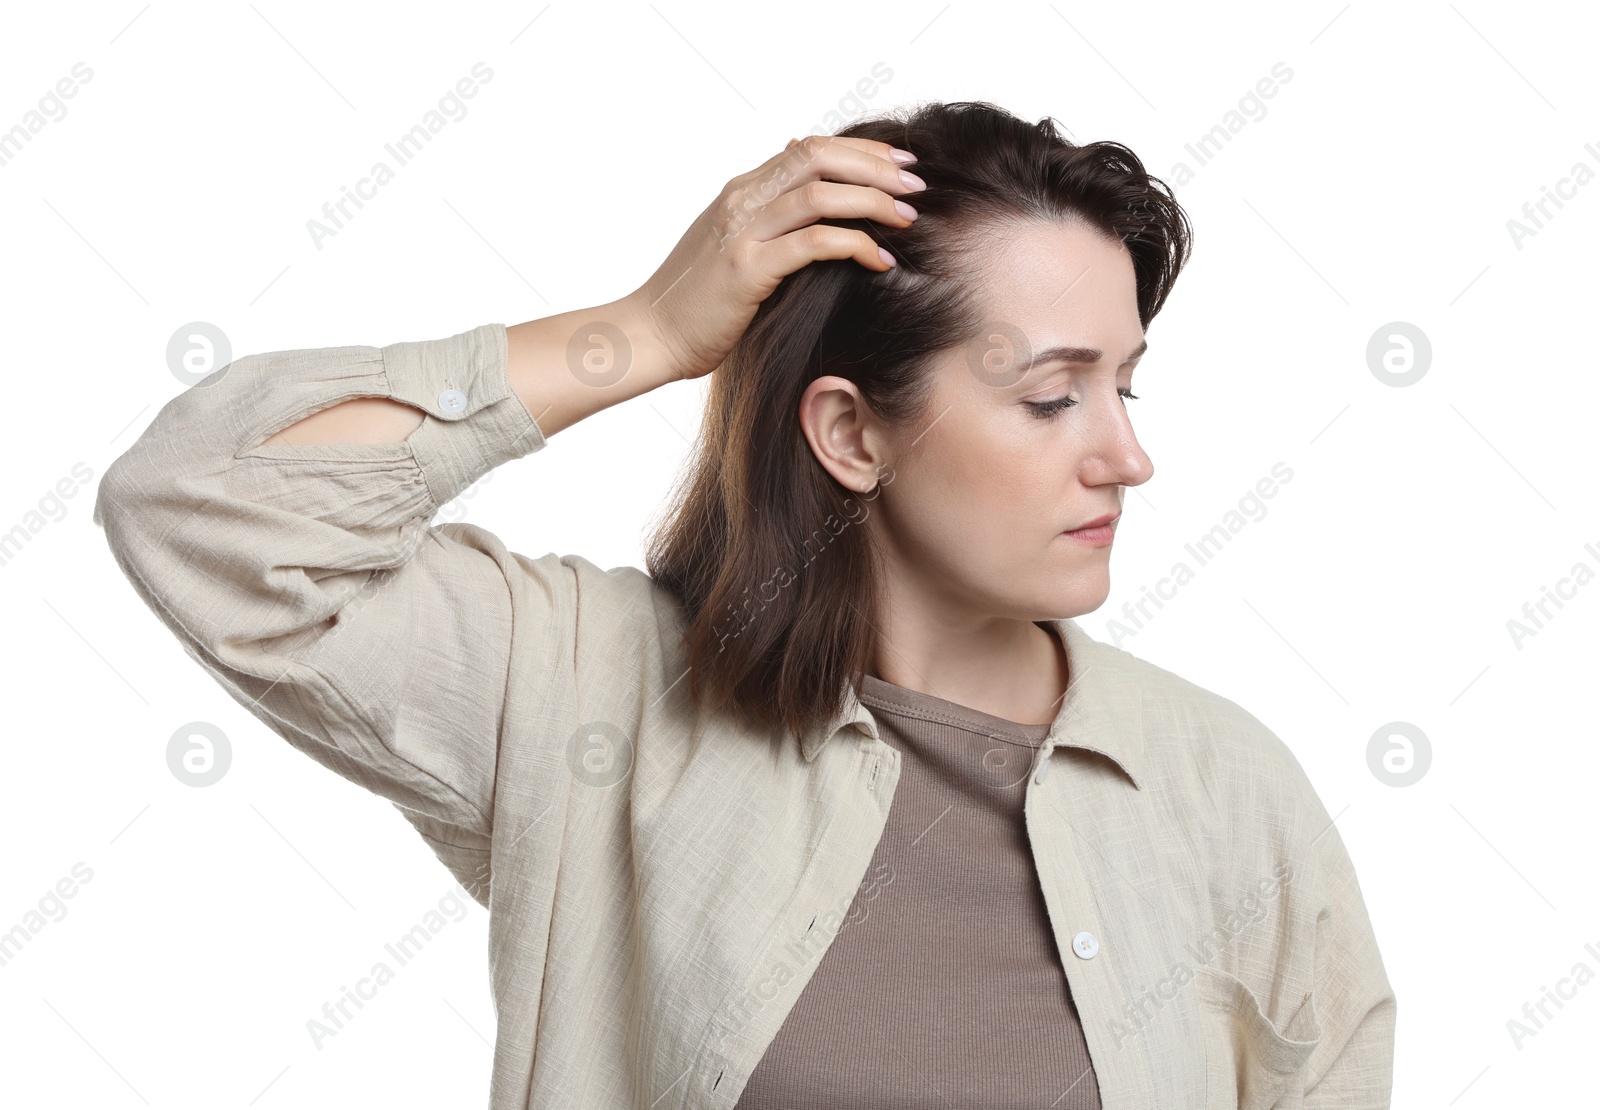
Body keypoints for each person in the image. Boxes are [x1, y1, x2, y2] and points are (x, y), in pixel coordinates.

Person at [95, 100, 1395, 1108]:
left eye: (1127, 384)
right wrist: (649, 330)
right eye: (1053, 394)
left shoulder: (1227, 789)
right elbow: (199, 506)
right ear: (851, 432)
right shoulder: (589, 697)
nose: (1124, 455)